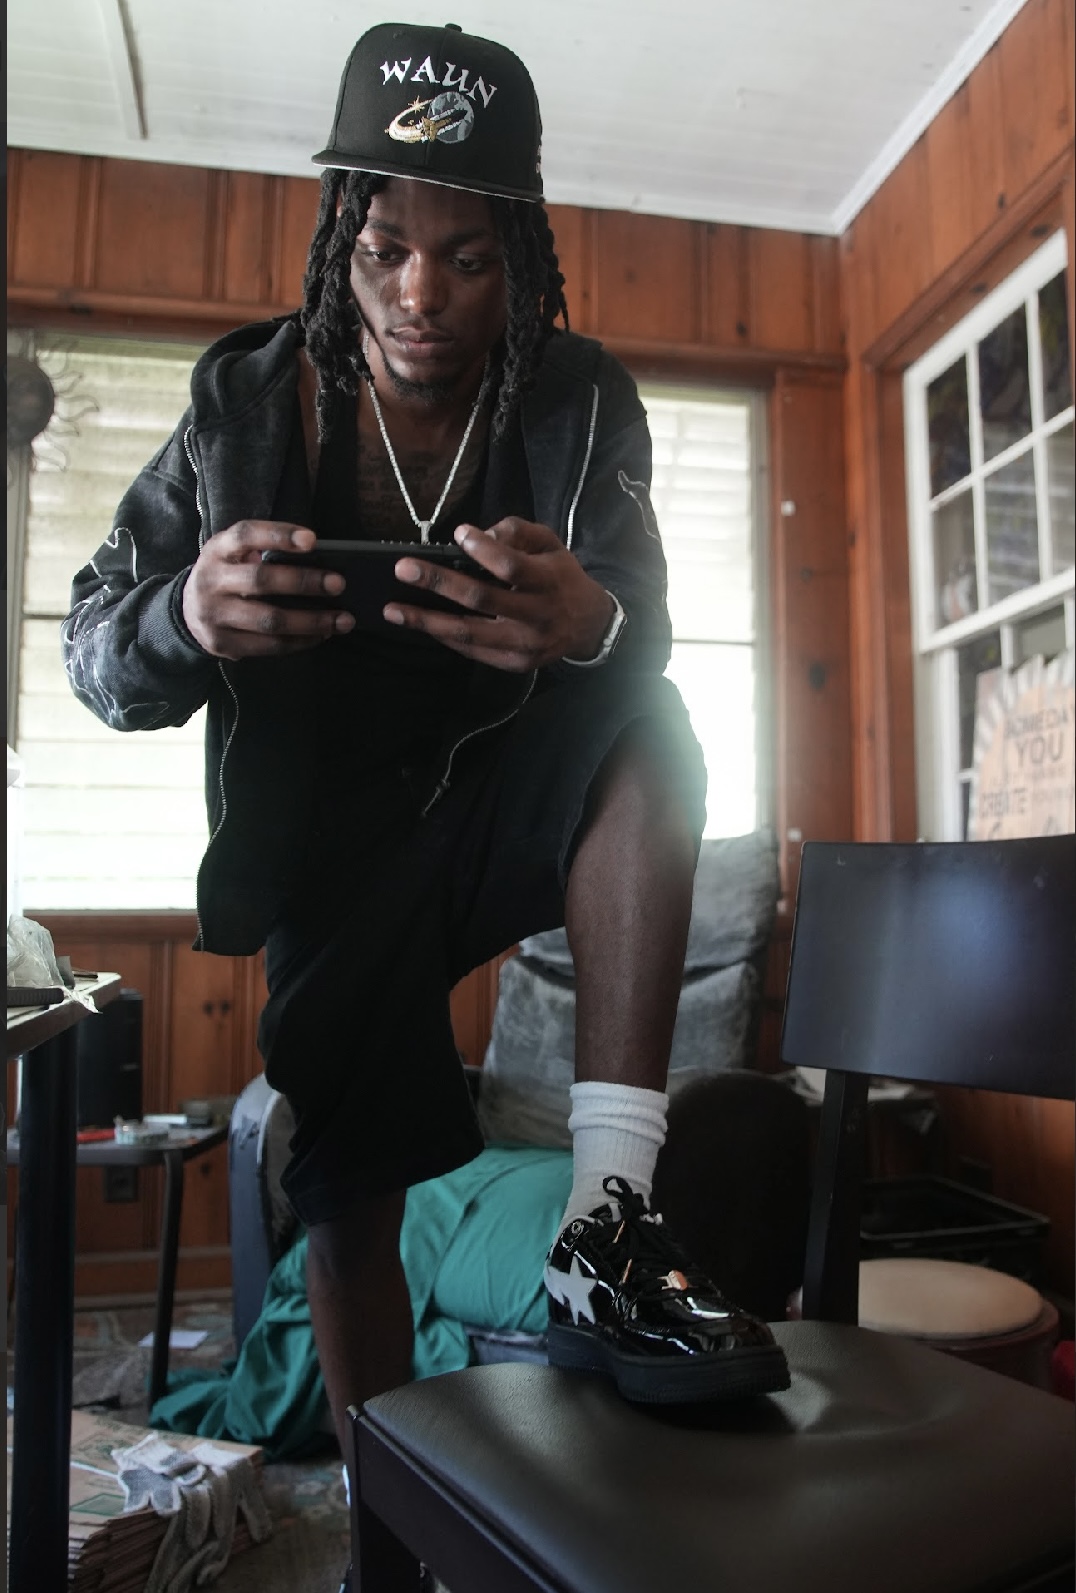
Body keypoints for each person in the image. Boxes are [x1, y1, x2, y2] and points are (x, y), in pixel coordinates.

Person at [63, 16, 788, 1479]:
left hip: (517, 797)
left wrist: (587, 617)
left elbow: (637, 615)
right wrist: (189, 612)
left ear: (519, 258)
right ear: (342, 233)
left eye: (469, 256)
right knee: (346, 1193)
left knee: (657, 718)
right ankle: (386, 1540)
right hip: (330, 842)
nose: (422, 293)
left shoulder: (580, 399)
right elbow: (96, 649)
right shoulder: (246, 401)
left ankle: (607, 1229)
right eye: (388, 244)